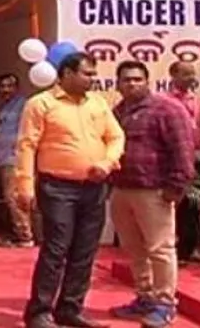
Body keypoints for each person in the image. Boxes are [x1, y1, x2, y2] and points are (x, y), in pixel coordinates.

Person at [13, 52, 124, 328]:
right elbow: (27, 146)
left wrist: (107, 163)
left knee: (85, 250)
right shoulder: (41, 104)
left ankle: (70, 308)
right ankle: (39, 312)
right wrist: (24, 186)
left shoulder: (98, 103)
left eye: (93, 74)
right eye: (86, 73)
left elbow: (116, 137)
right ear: (66, 74)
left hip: (94, 187)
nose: (91, 79)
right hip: (57, 186)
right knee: (56, 248)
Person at [107, 61, 195, 328]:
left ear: (148, 81)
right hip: (122, 189)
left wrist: (176, 187)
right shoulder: (117, 112)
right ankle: (145, 297)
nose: (132, 84)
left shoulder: (167, 109)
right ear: (118, 84)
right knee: (134, 249)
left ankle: (165, 303)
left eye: (137, 79)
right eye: (126, 80)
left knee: (160, 249)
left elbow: (183, 149)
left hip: (154, 191)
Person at [167, 60, 200, 263]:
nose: (191, 78)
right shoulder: (165, 101)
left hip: (195, 157)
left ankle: (189, 248)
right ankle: (172, 249)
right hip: (173, 158)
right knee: (175, 203)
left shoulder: (197, 101)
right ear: (173, 75)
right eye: (185, 74)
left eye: (192, 74)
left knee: (194, 202)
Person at [0, 72, 35, 248]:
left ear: (17, 88)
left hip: (15, 157)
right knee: (12, 196)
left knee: (14, 196)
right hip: (4, 157)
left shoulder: (23, 105)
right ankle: (23, 233)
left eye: (10, 86)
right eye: (2, 86)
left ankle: (24, 236)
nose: (6, 90)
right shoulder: (5, 107)